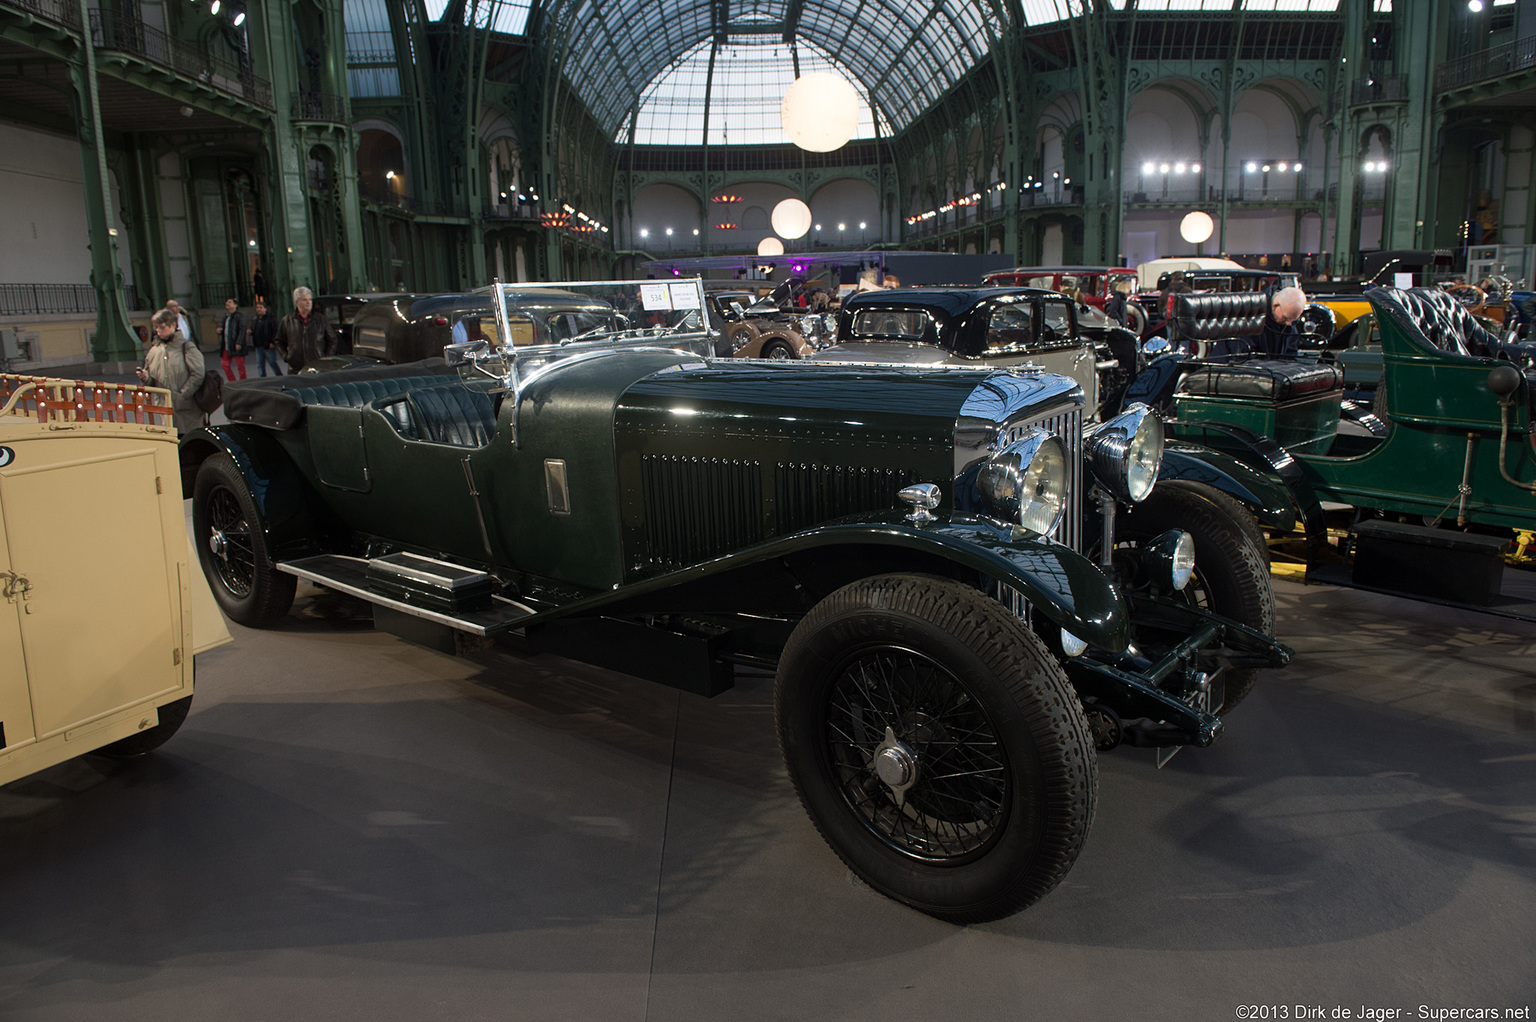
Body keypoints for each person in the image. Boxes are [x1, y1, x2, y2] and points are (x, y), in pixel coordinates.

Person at [136, 307, 205, 435]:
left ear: (173, 325)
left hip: (188, 411)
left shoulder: (186, 347)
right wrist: (145, 377)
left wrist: (182, 394)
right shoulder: (154, 351)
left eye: (161, 327)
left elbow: (198, 374)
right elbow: (152, 382)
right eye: (156, 327)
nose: (158, 331)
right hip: (165, 411)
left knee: (191, 443)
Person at [277, 285, 337, 373]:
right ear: (296, 302)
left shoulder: (320, 319)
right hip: (296, 368)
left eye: (310, 299)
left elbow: (332, 340)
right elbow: (278, 341)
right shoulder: (287, 321)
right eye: (305, 300)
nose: (308, 302)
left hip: (317, 366)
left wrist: (326, 358)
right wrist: (286, 356)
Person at [1258, 284, 1307, 357]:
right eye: (1285, 318)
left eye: (1294, 320)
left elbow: (1291, 353)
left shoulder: (1289, 318)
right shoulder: (1254, 317)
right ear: (1275, 306)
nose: (1289, 324)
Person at [249, 299, 281, 376]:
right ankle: (262, 379)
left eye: (261, 307)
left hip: (268, 345)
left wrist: (273, 342)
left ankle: (279, 376)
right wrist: (251, 332)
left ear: (265, 308)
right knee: (260, 364)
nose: (259, 309)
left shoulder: (270, 318)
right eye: (257, 308)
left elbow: (275, 331)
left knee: (272, 362)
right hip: (258, 345)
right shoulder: (255, 319)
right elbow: (254, 329)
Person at [218, 297, 248, 381]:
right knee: (224, 364)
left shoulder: (239, 316)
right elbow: (228, 329)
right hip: (227, 344)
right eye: (226, 302)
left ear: (235, 305)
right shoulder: (226, 316)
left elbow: (242, 330)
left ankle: (243, 381)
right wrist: (221, 330)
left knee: (240, 366)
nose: (227, 303)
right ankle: (232, 380)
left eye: (229, 302)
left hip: (236, 344)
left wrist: (239, 342)